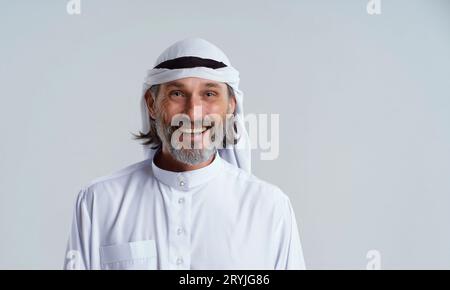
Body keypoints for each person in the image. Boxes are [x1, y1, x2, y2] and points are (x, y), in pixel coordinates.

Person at [64, 38, 305, 270]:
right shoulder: (99, 201)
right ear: (152, 104)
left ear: (230, 106)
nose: (193, 112)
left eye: (209, 94)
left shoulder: (269, 207)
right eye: (177, 94)